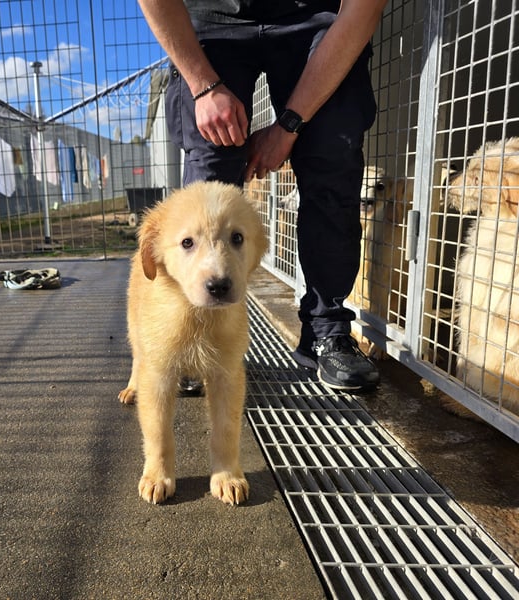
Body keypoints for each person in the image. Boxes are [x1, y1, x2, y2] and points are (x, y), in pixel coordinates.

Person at [138, 0, 387, 391]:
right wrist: (203, 86)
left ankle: (326, 331)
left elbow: (363, 8)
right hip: (212, 19)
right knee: (209, 175)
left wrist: (288, 127)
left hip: (317, 15)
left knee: (331, 158)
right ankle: (196, 337)